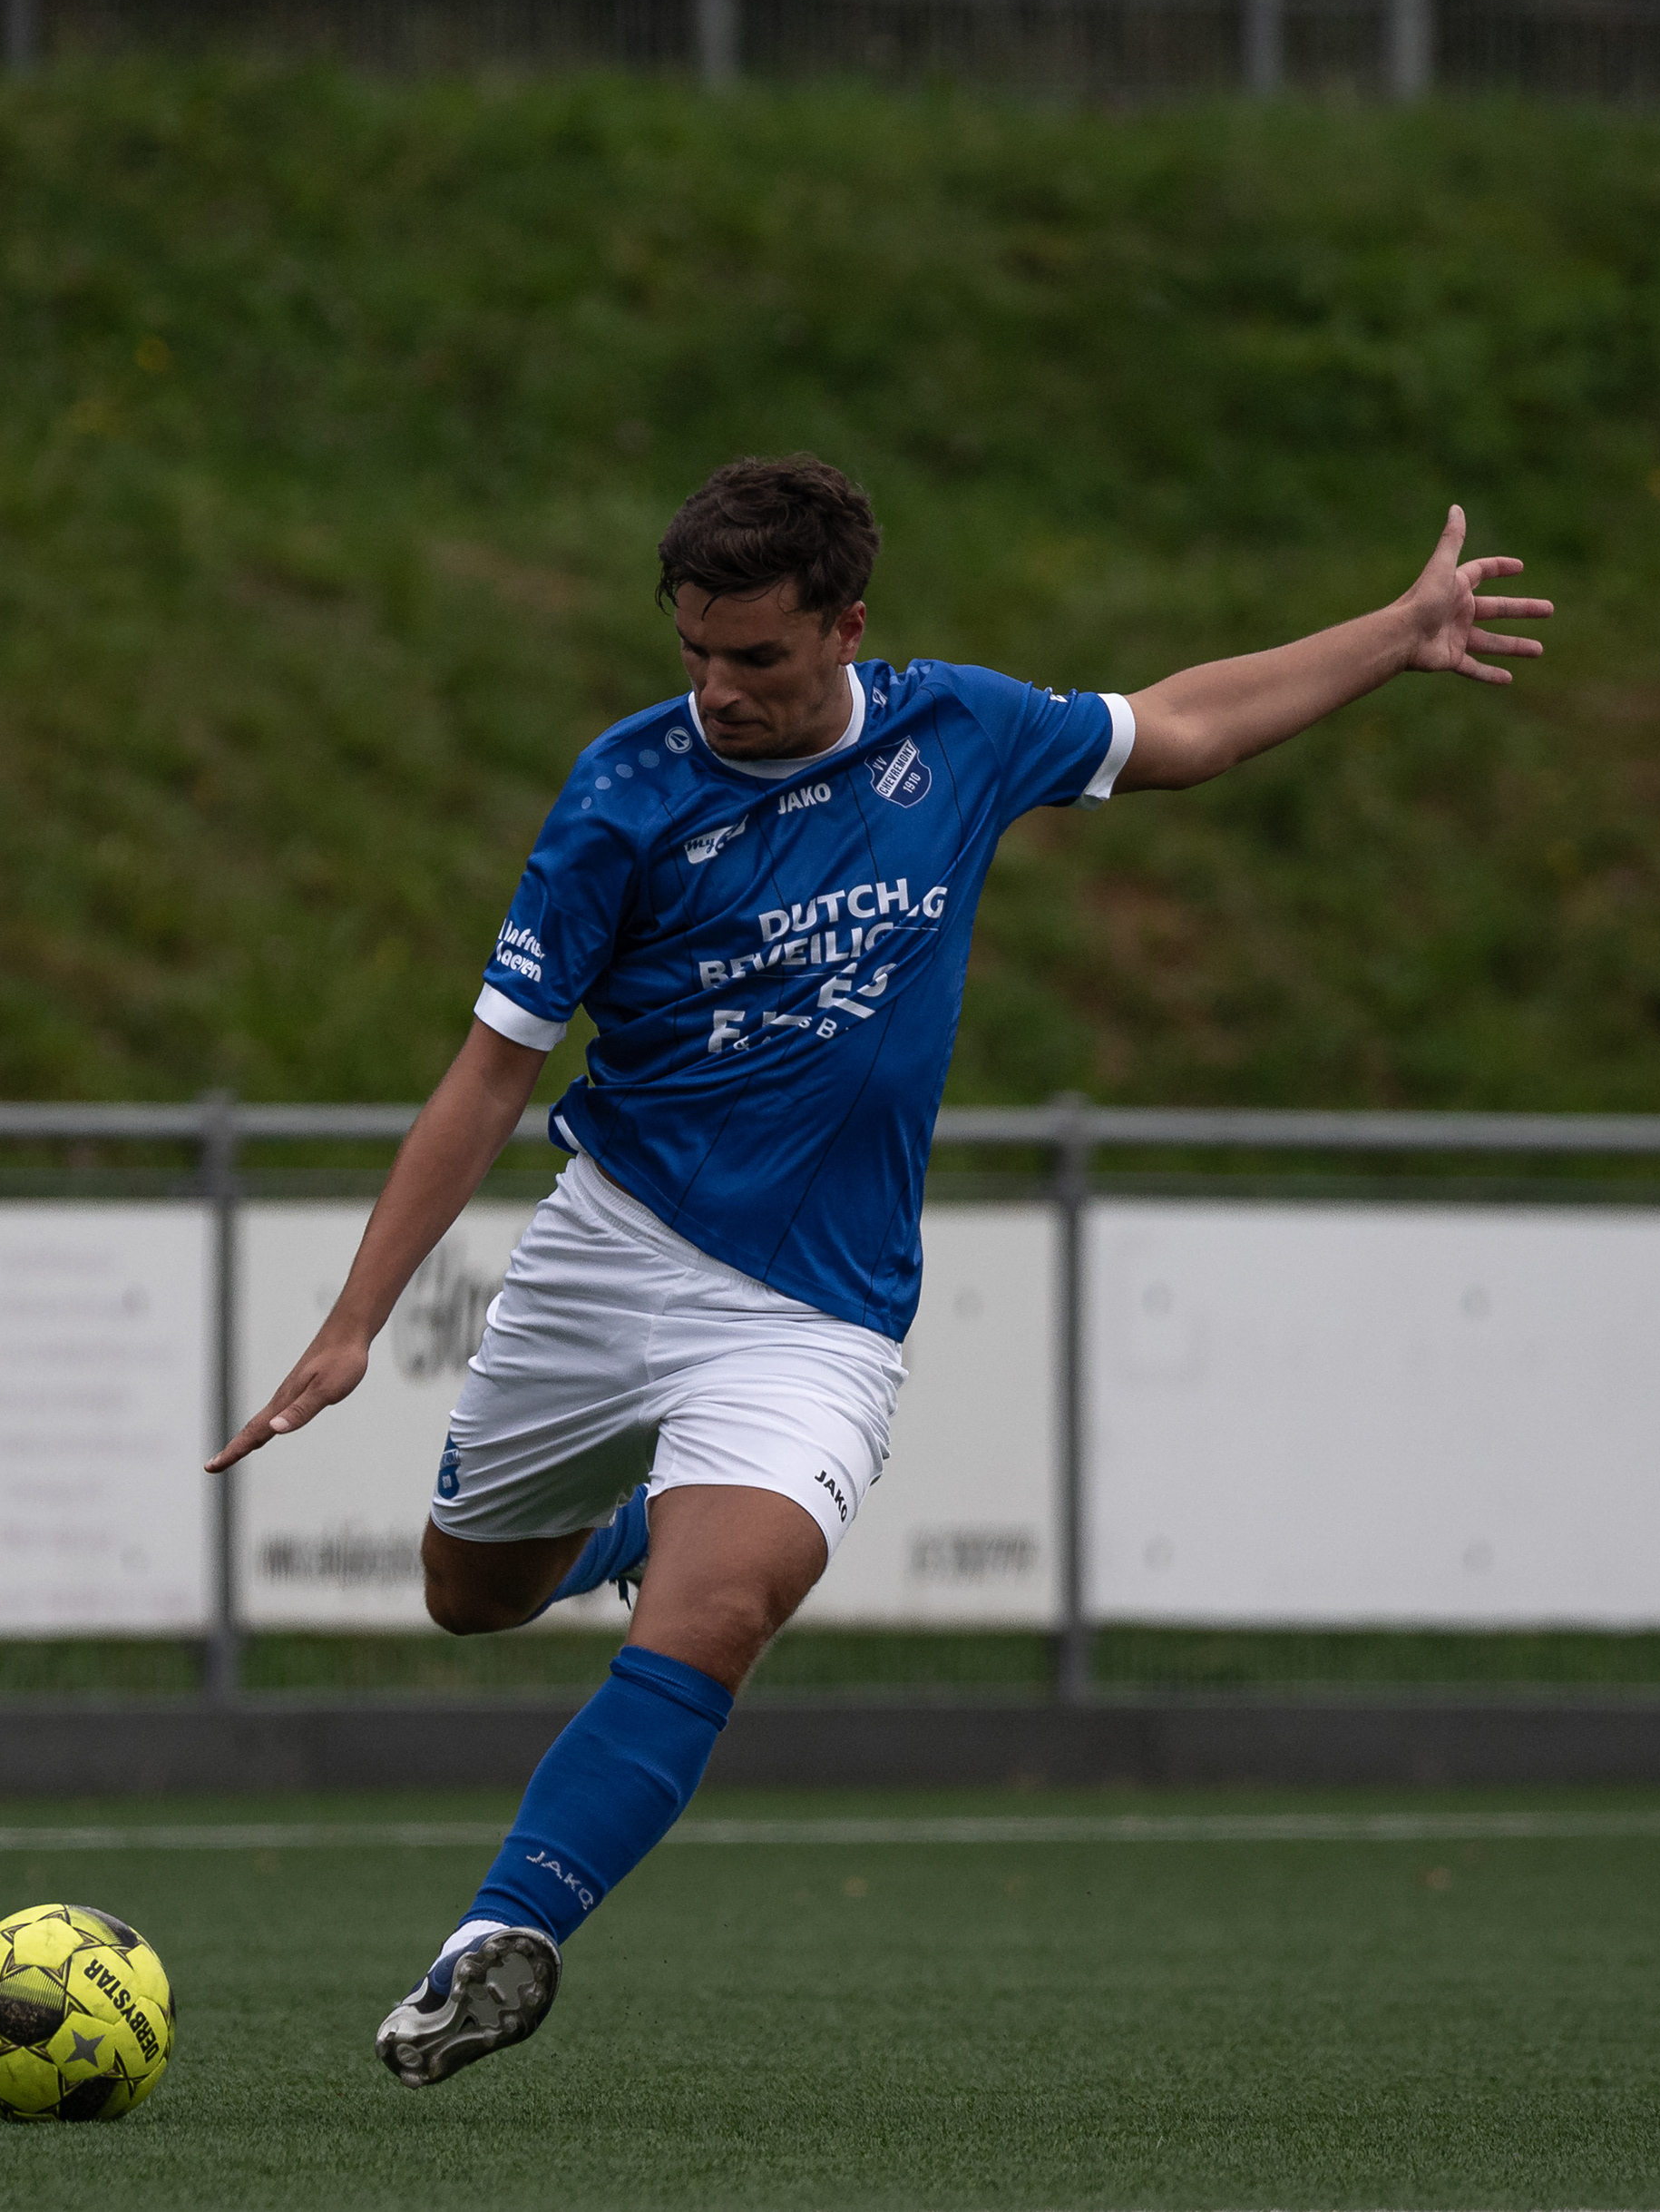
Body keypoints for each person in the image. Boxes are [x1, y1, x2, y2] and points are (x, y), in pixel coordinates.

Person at [204, 455, 1548, 2086]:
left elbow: (1181, 726)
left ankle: (502, 1936)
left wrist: (1396, 634)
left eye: (756, 656)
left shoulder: (957, 734)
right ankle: (629, 1534)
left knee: (728, 1606)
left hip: (818, 1311)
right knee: (466, 1596)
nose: (717, 689)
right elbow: (493, 1073)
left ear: (847, 626)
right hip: (613, 1250)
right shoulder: (622, 796)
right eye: (693, 650)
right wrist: (356, 1323)